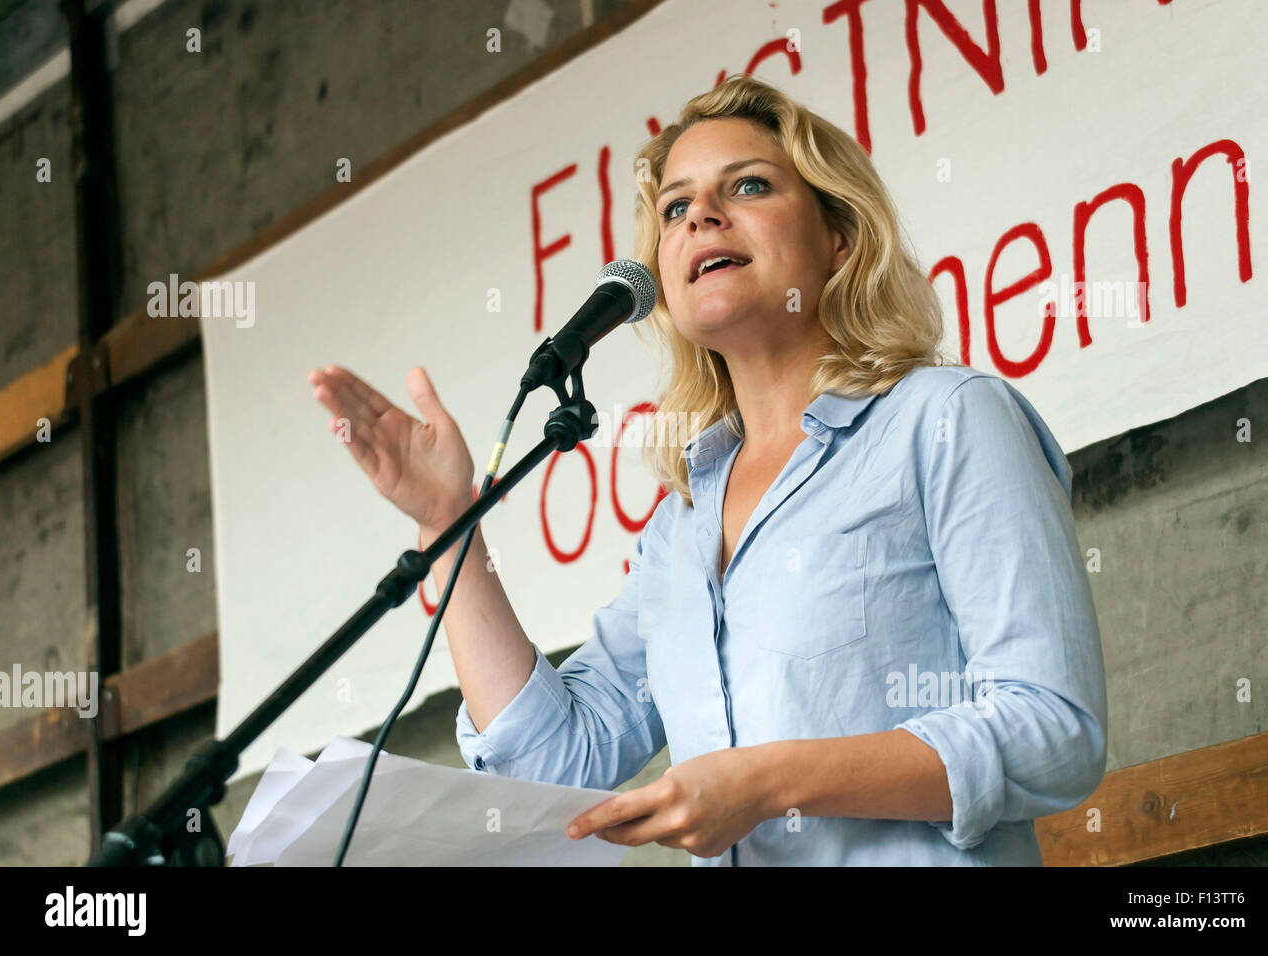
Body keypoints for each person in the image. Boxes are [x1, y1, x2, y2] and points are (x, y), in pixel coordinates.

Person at [307, 74, 1107, 866]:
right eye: (675, 209)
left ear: (842, 237)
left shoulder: (946, 419)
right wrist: (449, 522)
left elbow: (1053, 731)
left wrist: (767, 781)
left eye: (749, 186)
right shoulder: (679, 526)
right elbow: (553, 766)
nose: (702, 219)